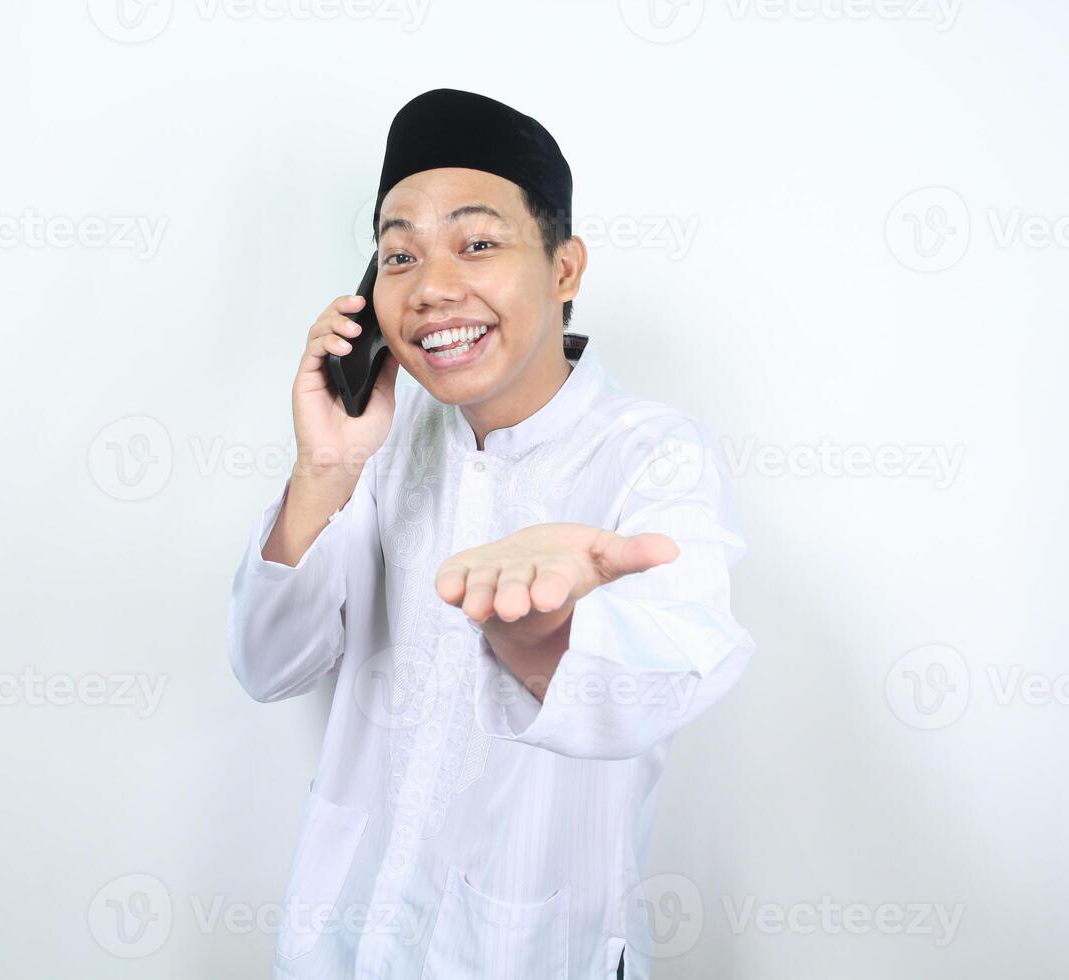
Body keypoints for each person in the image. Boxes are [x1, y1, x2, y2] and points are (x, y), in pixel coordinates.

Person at [228, 88, 756, 980]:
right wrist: (325, 464)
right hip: (348, 941)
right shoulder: (382, 442)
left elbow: (672, 672)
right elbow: (268, 664)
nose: (432, 288)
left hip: (533, 950)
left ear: (564, 267)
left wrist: (543, 638)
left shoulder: (654, 456)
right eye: (399, 256)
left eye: (477, 243)